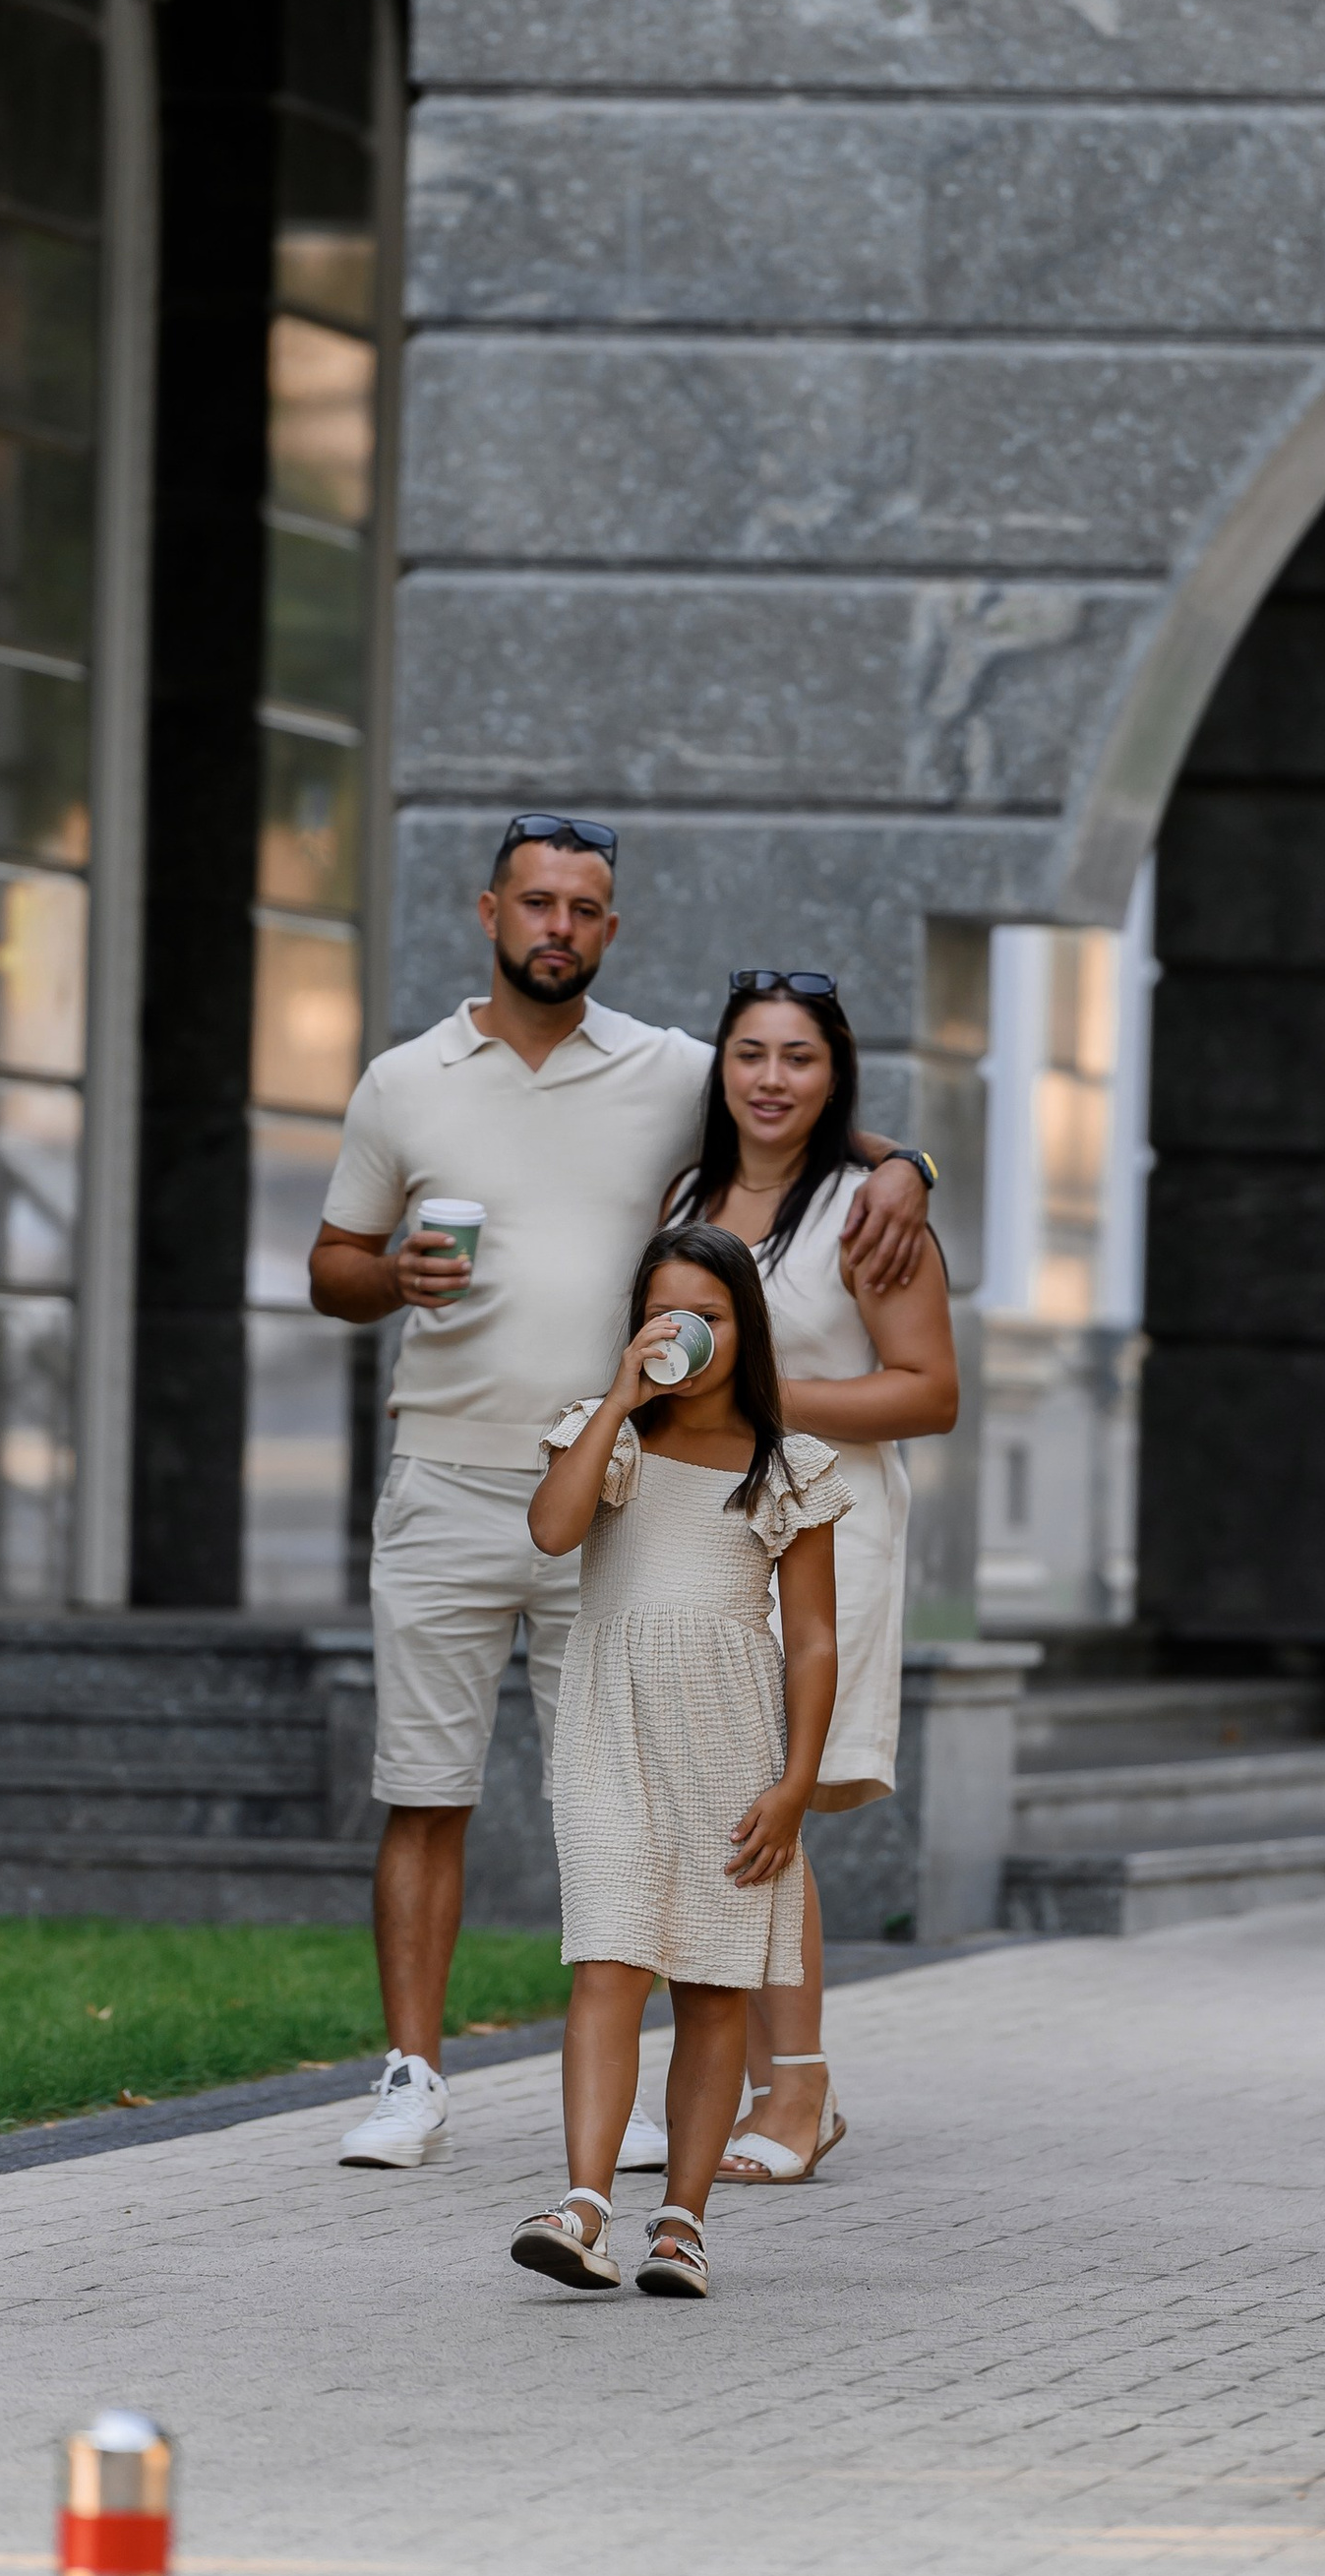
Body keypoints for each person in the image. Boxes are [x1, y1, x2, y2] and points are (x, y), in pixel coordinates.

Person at [308, 815, 938, 2170]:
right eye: (537, 903)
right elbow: (330, 1266)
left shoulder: (673, 1071)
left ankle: (647, 2096)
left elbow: (811, 1109)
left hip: (629, 1499)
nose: (559, 927)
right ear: (489, 912)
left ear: (611, 927)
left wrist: (910, 1165)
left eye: (585, 909)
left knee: (647, 1792)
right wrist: (391, 1279)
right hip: (449, 1471)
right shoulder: (404, 1079)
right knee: (426, 1786)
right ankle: (411, 2075)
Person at [510, 1225, 845, 2297]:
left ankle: (681, 2222)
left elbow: (816, 1639)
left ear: (745, 1327)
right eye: (665, 1314)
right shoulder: (603, 1440)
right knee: (606, 1960)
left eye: (710, 1314)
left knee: (709, 1988)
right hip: (611, 1731)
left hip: (729, 1742)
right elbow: (551, 1533)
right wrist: (616, 1395)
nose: (686, 1334)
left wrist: (794, 1784)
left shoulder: (784, 1465)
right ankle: (582, 2204)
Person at [670, 971, 960, 2183]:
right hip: (696, 1534)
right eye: (751, 1053)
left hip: (824, 1532)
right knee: (717, 1805)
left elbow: (928, 1391)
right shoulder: (688, 1193)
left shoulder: (868, 1211)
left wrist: (761, 1403)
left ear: (833, 1074)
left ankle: (796, 2093)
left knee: (766, 1807)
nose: (772, 1077)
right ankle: (753, 2086)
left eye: (799, 1056)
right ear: (721, 1067)